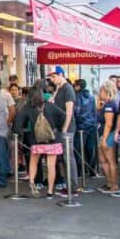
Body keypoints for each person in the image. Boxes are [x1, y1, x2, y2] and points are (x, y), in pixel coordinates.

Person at [15, 83, 63, 199]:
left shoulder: (28, 108)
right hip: (52, 139)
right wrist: (58, 127)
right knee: (51, 165)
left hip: (36, 140)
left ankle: (32, 182)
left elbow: (18, 122)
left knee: (33, 163)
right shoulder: (50, 105)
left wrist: (22, 130)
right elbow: (63, 115)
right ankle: (50, 191)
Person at [47, 66, 79, 195]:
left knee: (68, 157)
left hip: (66, 128)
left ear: (61, 75)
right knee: (64, 158)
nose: (52, 79)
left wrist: (65, 128)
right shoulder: (60, 89)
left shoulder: (68, 89)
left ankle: (73, 187)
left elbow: (69, 110)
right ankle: (69, 185)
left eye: (54, 77)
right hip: (60, 127)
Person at [96, 80, 120, 194]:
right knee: (103, 160)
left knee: (110, 160)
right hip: (102, 133)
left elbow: (109, 124)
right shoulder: (106, 104)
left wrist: (104, 139)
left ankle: (114, 185)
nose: (100, 93)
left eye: (101, 90)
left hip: (107, 135)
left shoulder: (110, 105)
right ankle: (109, 182)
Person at [73, 79, 98, 179]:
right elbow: (94, 111)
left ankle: (80, 171)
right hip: (91, 125)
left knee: (78, 149)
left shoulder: (76, 97)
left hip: (80, 126)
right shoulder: (91, 97)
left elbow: (76, 112)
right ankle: (92, 170)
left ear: (78, 86)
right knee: (90, 148)